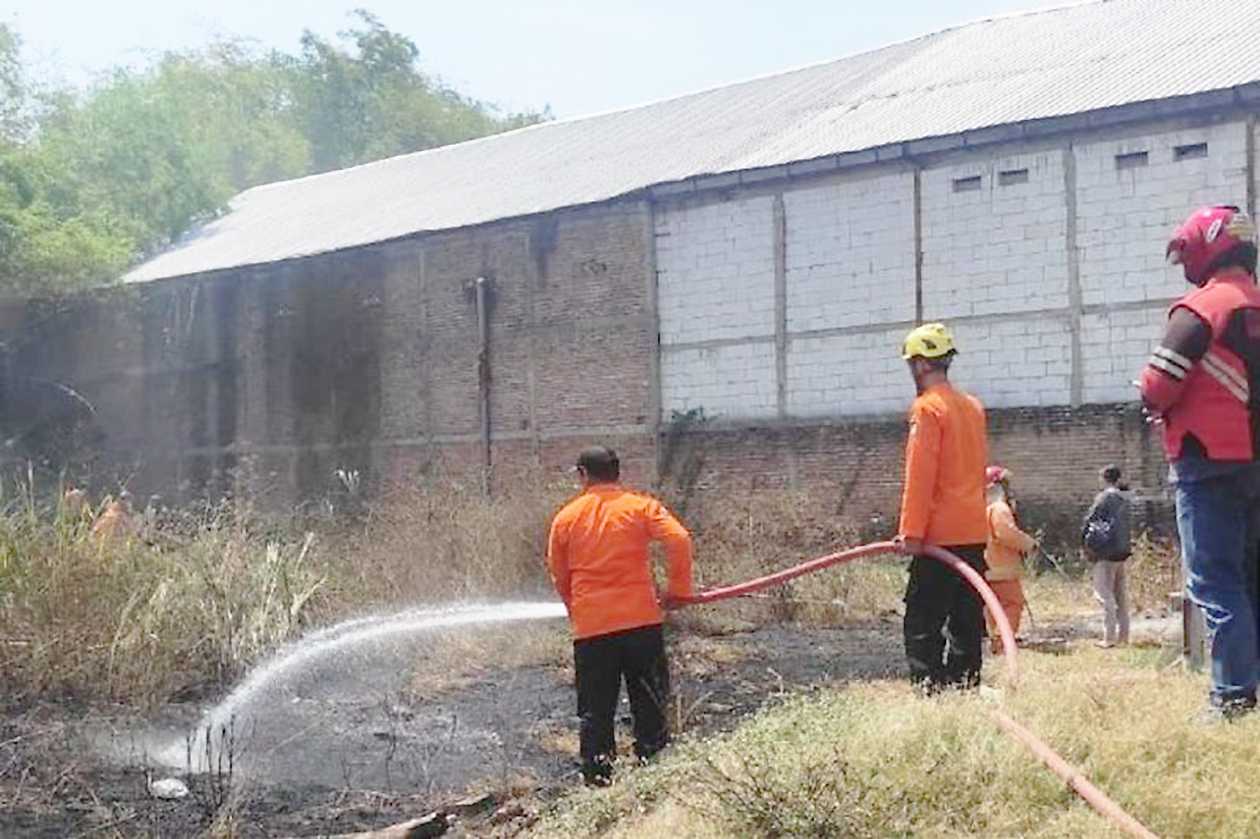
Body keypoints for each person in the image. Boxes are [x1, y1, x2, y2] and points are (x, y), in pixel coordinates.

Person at [1139, 204, 1260, 719]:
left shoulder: (1199, 310)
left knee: (1216, 581)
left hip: (1208, 464)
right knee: (1253, 578)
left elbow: (1156, 385)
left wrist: (1155, 405)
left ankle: (1232, 697)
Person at [546, 446, 694, 785]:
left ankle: (599, 779)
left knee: (596, 711)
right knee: (650, 703)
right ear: (618, 472)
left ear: (583, 474)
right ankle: (655, 774)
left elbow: (559, 574)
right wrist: (678, 590)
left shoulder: (566, 518)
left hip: (592, 631)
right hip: (642, 623)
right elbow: (679, 539)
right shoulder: (640, 507)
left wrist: (577, 610)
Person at [893, 323, 990, 693]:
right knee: (967, 617)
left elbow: (921, 476)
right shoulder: (972, 407)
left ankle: (930, 690)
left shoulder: (928, 409)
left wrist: (912, 532)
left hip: (938, 537)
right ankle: (965, 687)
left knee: (922, 619)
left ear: (919, 365)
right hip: (973, 531)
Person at [984, 466, 1036, 653]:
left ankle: (995, 639)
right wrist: (1029, 543)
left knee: (993, 605)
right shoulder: (999, 508)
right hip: (1002, 568)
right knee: (1013, 604)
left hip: (987, 567)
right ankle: (1002, 642)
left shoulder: (984, 508)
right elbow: (1006, 534)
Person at [1082, 465, 1132, 648]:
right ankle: (1124, 636)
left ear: (1104, 479)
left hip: (1105, 552)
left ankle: (1108, 637)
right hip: (1122, 551)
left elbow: (1089, 521)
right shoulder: (1125, 499)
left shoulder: (1104, 498)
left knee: (1104, 594)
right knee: (1120, 596)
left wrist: (1086, 545)